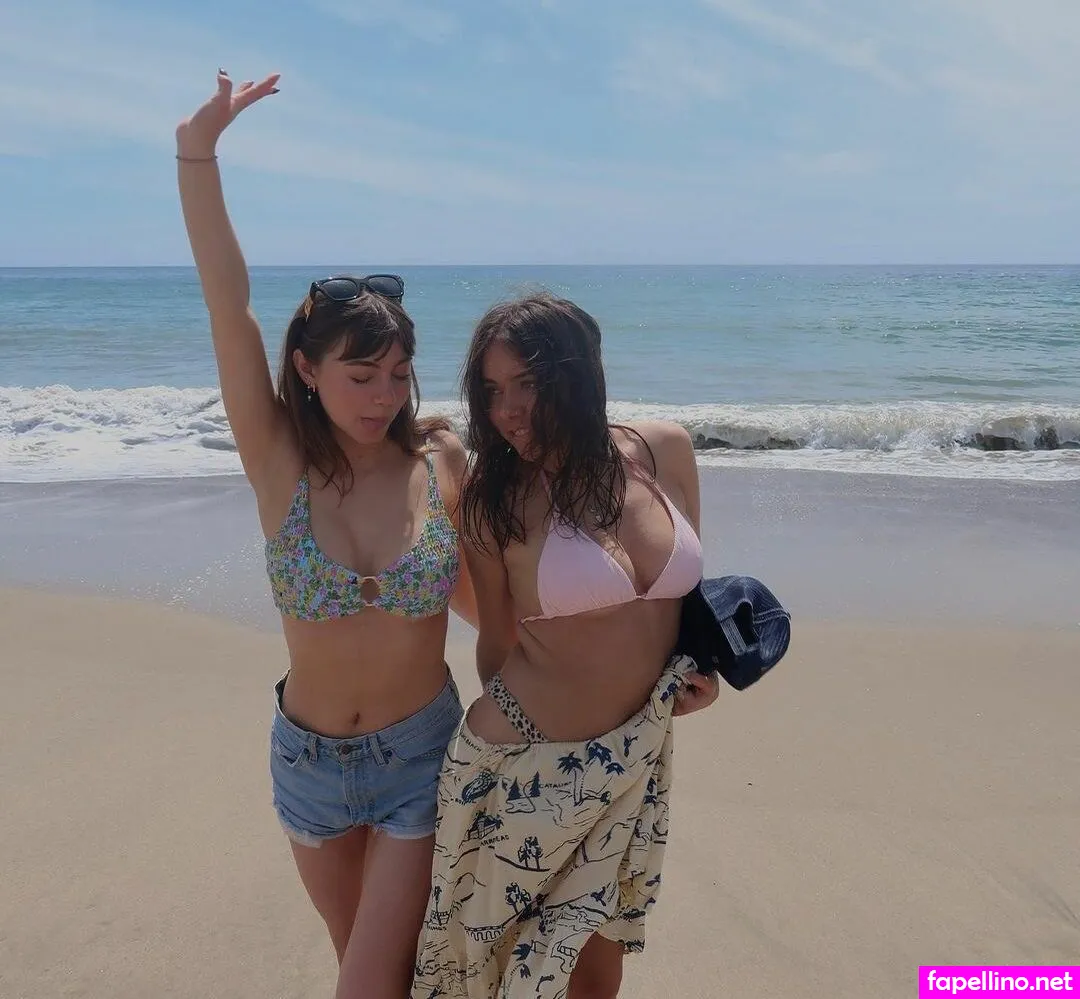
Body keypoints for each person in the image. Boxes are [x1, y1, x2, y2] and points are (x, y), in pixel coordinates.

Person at [175, 71, 476, 999]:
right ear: (307, 370)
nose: (385, 394)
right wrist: (197, 153)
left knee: (366, 985)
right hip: (307, 767)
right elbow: (228, 305)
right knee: (375, 971)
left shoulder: (440, 461)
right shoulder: (278, 464)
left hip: (420, 756)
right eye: (361, 375)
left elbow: (496, 602)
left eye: (399, 372)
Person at [411, 293, 720, 999]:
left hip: (638, 753)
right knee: (504, 976)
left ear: (578, 372)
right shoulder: (496, 499)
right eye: (492, 390)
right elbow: (496, 644)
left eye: (527, 383)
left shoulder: (663, 450)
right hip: (526, 766)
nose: (508, 411)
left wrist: (702, 672)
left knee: (599, 970)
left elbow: (688, 601)